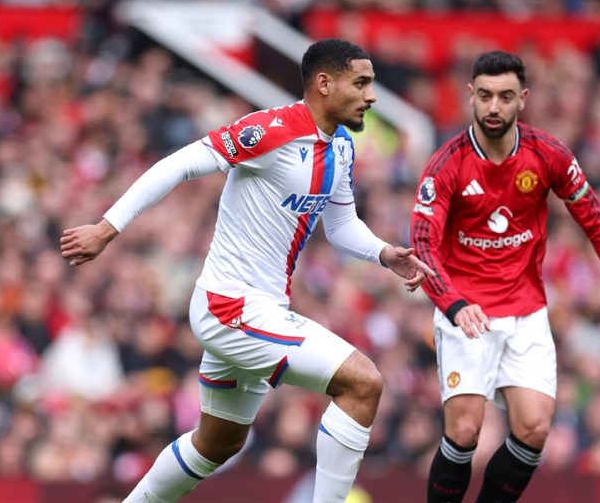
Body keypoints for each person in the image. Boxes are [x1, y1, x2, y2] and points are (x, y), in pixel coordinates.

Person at [59, 39, 434, 503]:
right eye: (360, 83)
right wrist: (107, 227)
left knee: (216, 445)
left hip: (260, 309)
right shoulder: (273, 130)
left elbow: (340, 225)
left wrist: (383, 253)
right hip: (229, 306)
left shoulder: (341, 147)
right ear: (324, 83)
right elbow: (181, 163)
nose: (371, 96)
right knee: (362, 382)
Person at [411, 51, 600, 502]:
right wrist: (453, 304)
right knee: (466, 430)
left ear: (522, 99)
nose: (494, 107)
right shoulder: (446, 164)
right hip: (466, 310)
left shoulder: (547, 154)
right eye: (485, 96)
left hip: (526, 309)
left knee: (534, 427)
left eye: (505, 97)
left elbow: (595, 220)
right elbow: (423, 243)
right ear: (470, 95)